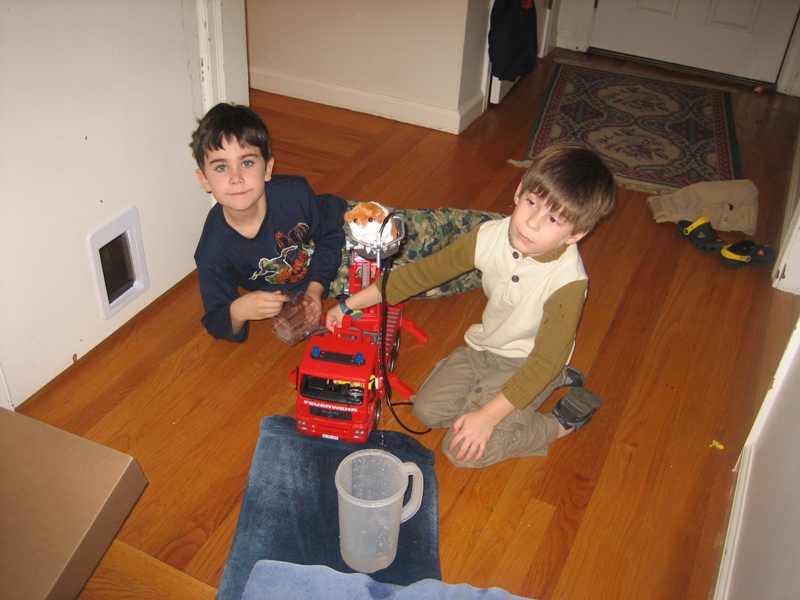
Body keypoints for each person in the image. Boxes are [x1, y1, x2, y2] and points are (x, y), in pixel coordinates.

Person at [326, 144, 616, 468]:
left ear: (575, 234)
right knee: (426, 411)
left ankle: (560, 423)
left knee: (461, 451)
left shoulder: (568, 283)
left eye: (552, 219)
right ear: (520, 190)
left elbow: (544, 361)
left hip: (531, 363)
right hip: (485, 349)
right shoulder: (489, 236)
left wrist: (487, 416)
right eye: (531, 203)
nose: (531, 223)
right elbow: (422, 274)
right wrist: (348, 305)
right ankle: (523, 393)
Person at [191, 103, 348, 342]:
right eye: (221, 167)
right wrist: (239, 310)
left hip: (342, 222)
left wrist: (315, 289)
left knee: (398, 240)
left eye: (247, 163)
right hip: (318, 272)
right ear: (204, 180)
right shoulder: (213, 250)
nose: (236, 178)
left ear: (268, 168)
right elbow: (215, 320)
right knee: (384, 286)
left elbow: (330, 235)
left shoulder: (295, 193)